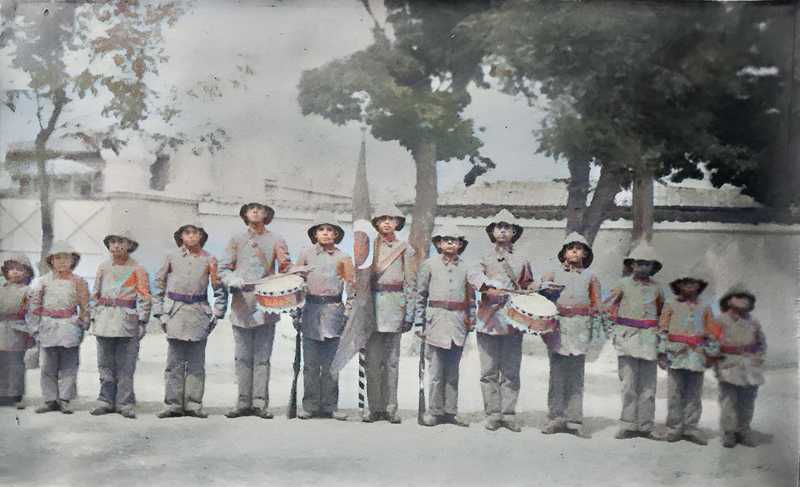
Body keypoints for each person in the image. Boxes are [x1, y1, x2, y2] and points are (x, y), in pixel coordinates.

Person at [219, 202, 291, 419]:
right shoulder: (236, 239)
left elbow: (286, 268)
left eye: (261, 209)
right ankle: (242, 403)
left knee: (262, 356)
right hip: (242, 301)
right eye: (252, 209)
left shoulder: (276, 239)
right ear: (245, 214)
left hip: (266, 303)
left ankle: (260, 403)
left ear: (267, 214)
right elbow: (223, 268)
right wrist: (232, 279)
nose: (256, 212)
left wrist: (284, 283)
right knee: (242, 357)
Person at [467, 209, 534, 432]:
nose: (503, 230)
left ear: (514, 232)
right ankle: (493, 414)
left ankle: (509, 413)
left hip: (513, 320)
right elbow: (474, 276)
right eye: (498, 226)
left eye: (507, 227)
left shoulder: (523, 259)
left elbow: (527, 285)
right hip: (488, 318)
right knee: (488, 371)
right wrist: (489, 286)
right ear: (492, 231)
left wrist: (538, 287)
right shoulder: (483, 257)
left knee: (511, 370)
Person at [153, 223, 227, 418]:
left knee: (196, 363)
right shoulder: (171, 257)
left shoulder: (209, 259)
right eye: (188, 233)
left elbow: (218, 288)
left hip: (198, 313)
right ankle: (173, 405)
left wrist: (217, 313)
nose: (192, 236)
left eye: (196, 233)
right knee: (174, 362)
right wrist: (160, 312)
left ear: (202, 236)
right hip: (175, 312)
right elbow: (159, 284)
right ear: (181, 236)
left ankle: (194, 404)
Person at [291, 211, 354, 420]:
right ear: (314, 234)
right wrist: (296, 311)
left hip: (334, 312)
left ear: (336, 234)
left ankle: (330, 405)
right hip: (310, 312)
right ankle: (309, 405)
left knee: (331, 364)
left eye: (330, 230)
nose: (326, 234)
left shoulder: (343, 258)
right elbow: (295, 285)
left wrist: (348, 312)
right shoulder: (306, 255)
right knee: (310, 363)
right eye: (321, 230)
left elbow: (351, 288)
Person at [539, 232, 601, 437]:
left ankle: (574, 419)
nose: (575, 251)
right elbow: (541, 300)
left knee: (576, 374)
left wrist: (594, 332)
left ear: (585, 253)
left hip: (581, 328)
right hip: (558, 327)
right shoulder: (553, 274)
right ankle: (555, 417)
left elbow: (596, 305)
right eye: (570, 248)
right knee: (557, 374)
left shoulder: (591, 277)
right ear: (564, 253)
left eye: (579, 248)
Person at [413, 223, 475, 427]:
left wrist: (471, 319)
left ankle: (450, 411)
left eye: (454, 240)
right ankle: (434, 411)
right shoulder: (429, 265)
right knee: (436, 370)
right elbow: (420, 295)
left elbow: (471, 297)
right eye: (445, 240)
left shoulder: (466, 268)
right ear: (438, 243)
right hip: (436, 321)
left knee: (453, 370)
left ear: (460, 244)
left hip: (458, 322)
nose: (450, 243)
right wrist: (420, 322)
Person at [604, 241, 665, 440]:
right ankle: (628, 424)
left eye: (648, 264)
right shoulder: (622, 284)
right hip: (627, 338)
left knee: (648, 386)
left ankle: (646, 425)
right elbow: (608, 308)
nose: (643, 267)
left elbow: (663, 314)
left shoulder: (657, 288)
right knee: (628, 384)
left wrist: (662, 338)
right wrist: (613, 332)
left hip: (649, 339)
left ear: (653, 267)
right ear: (632, 265)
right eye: (639, 263)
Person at [362, 202, 416, 424]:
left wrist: (410, 312)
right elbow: (358, 281)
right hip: (372, 307)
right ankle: (374, 407)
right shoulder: (367, 247)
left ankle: (391, 407)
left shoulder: (406, 248)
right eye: (382, 218)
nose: (386, 222)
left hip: (395, 306)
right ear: (376, 223)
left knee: (392, 361)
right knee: (373, 361)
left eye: (391, 219)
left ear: (397, 223)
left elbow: (411, 282)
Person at [89, 229, 152, 419]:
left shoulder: (137, 269)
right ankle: (105, 400)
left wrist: (142, 320)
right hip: (104, 320)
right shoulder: (103, 267)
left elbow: (144, 296)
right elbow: (95, 295)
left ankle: (125, 402)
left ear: (130, 245)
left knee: (126, 364)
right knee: (105, 364)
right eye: (112, 242)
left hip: (126, 321)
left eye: (121, 242)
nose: (116, 245)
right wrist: (93, 317)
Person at [28, 242, 90, 414]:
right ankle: (50, 400)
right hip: (48, 325)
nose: (62, 262)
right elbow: (35, 306)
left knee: (69, 364)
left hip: (69, 325)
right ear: (51, 261)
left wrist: (83, 324)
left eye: (66, 258)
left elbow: (85, 305)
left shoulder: (79, 281)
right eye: (58, 258)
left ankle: (65, 399)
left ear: (73, 260)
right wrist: (35, 327)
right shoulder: (42, 282)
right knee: (47, 364)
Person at [657, 276, 719, 445]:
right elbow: (662, 329)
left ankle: (691, 428)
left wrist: (711, 354)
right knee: (674, 393)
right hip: (675, 354)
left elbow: (711, 333)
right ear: (679, 286)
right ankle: (674, 428)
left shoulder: (705, 307)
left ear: (699, 286)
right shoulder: (670, 304)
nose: (689, 286)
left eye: (693, 283)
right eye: (685, 283)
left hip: (697, 355)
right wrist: (661, 353)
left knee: (694, 393)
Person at [714, 283, 766, 448]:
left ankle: (743, 430)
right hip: (728, 364)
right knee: (729, 401)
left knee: (748, 401)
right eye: (739, 297)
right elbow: (711, 343)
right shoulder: (720, 320)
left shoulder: (754, 322)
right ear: (728, 301)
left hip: (750, 366)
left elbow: (761, 343)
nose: (743, 301)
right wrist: (716, 364)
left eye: (747, 298)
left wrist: (758, 358)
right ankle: (728, 433)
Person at [0, 253, 35, 409]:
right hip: (1, 327)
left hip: (18, 329)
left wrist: (31, 332)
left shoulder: (28, 291)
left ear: (27, 272)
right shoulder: (1, 289)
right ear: (5, 271)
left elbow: (31, 312)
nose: (15, 272)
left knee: (16, 363)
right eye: (11, 269)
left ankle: (16, 394)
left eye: (19, 269)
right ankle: (2, 393)